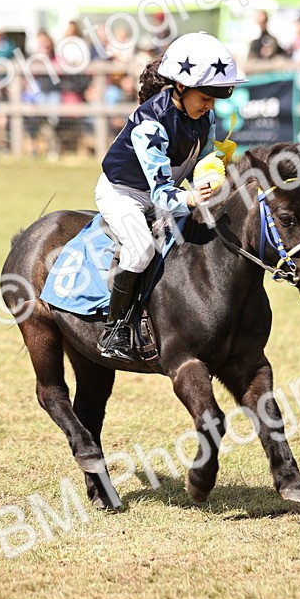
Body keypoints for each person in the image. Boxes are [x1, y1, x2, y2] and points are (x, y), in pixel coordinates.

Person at [94, 32, 245, 361]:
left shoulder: (204, 117)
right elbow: (163, 193)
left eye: (214, 99)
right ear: (180, 87)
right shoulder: (150, 124)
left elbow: (203, 160)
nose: (209, 105)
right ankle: (114, 328)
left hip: (166, 191)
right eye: (205, 97)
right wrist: (191, 200)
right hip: (125, 194)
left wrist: (215, 174)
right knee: (141, 248)